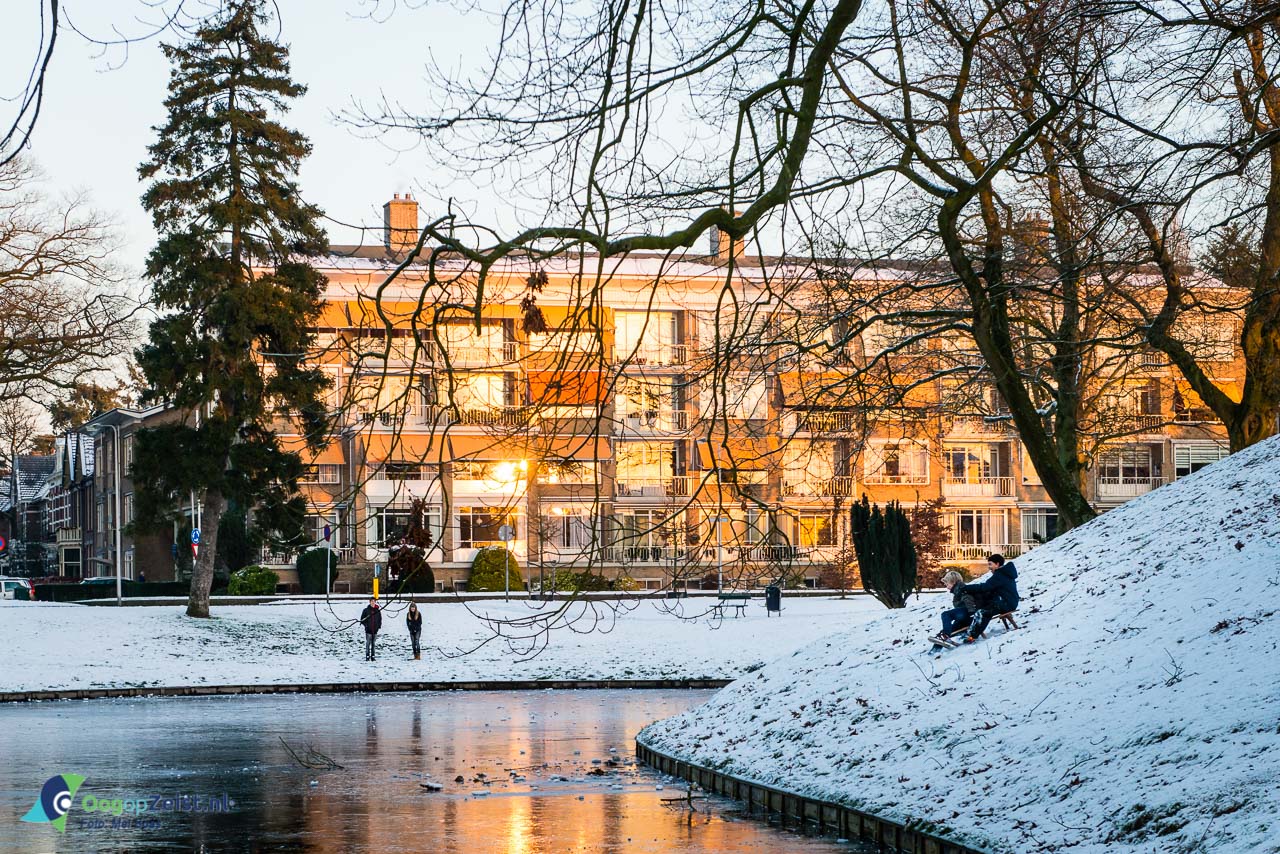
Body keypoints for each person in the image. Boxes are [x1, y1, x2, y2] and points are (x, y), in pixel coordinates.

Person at [961, 554, 1020, 643]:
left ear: (997, 564)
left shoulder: (1000, 575)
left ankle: (972, 636)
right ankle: (971, 634)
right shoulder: (1003, 573)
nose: (989, 567)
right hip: (1009, 602)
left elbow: (985, 587)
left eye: (990, 564)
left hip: (1007, 603)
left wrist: (966, 588)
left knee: (982, 612)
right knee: (985, 610)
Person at [933, 570, 981, 643]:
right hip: (963, 619)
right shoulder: (957, 591)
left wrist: (972, 613)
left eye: (947, 584)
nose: (946, 587)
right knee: (942, 635)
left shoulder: (962, 589)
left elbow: (968, 599)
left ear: (953, 582)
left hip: (967, 613)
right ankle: (934, 651)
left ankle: (945, 635)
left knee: (945, 614)